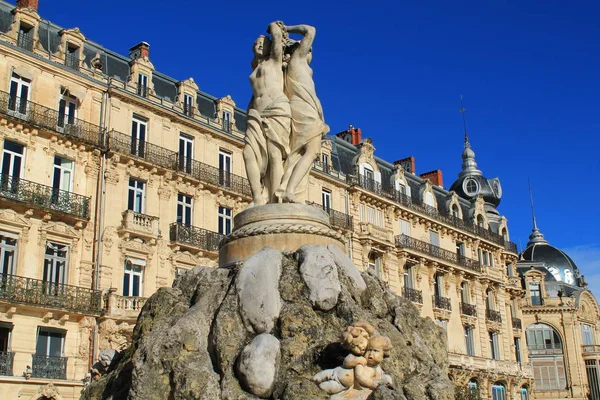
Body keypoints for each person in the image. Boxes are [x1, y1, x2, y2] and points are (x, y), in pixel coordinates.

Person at [276, 23, 329, 203]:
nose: (311, 53)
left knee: (299, 152)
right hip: (303, 108)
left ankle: (289, 188)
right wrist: (287, 28)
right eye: (309, 49)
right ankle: (289, 190)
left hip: (303, 107)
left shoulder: (296, 66)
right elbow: (311, 30)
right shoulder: (297, 60)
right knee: (312, 151)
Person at [243, 21, 292, 205]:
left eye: (263, 43)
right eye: (256, 43)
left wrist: (273, 27)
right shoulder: (255, 68)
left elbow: (278, 37)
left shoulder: (275, 61)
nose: (259, 45)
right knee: (249, 153)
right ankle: (257, 196)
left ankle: (275, 198)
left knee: (274, 155)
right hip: (257, 113)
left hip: (277, 108)